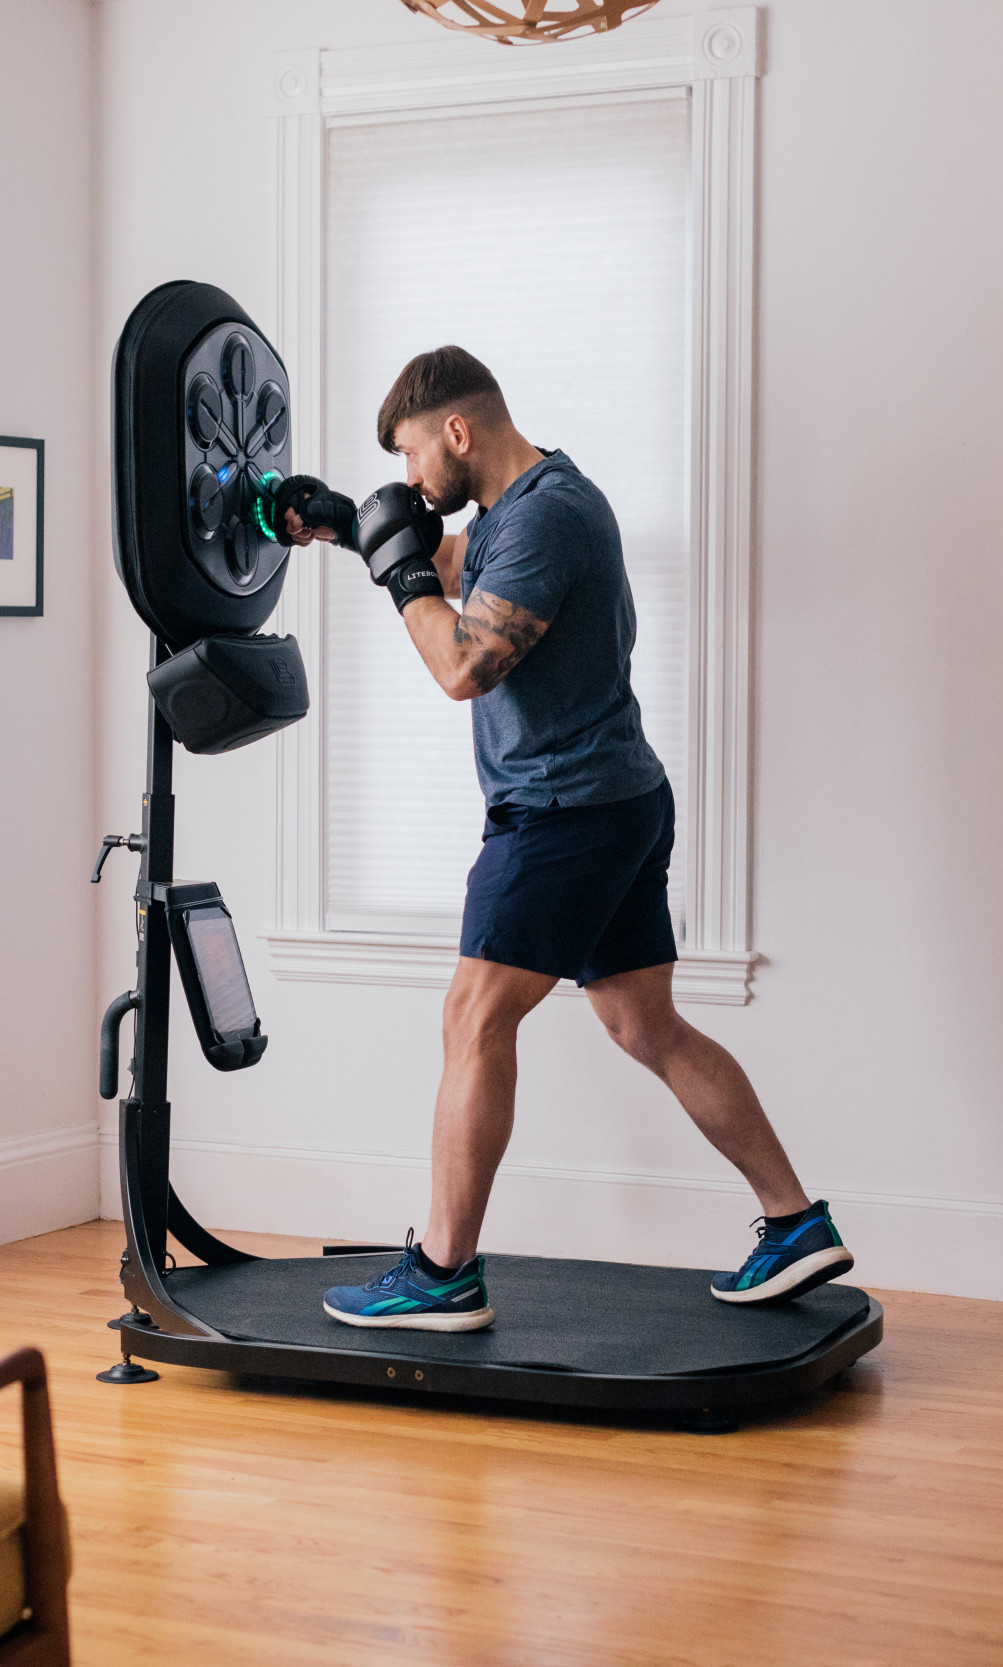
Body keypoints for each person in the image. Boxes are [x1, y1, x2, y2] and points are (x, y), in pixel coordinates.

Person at [278, 346, 851, 1332]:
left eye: (416, 456)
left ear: (458, 430)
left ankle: (444, 1270)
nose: (415, 482)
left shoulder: (544, 514)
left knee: (471, 1019)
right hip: (617, 799)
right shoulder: (523, 509)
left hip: (561, 812)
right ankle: (796, 1221)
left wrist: (399, 571)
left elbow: (463, 664)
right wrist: (346, 525)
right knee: (645, 1025)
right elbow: (459, 564)